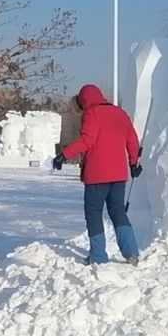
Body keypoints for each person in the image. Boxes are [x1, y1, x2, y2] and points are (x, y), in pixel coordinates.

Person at [53, 84, 143, 266]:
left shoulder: (91, 114)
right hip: (118, 174)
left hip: (97, 174)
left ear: (83, 101)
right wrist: (133, 164)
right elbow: (132, 140)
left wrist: (63, 155)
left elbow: (87, 140)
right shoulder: (120, 113)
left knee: (93, 213)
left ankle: (98, 256)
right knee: (118, 212)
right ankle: (131, 252)